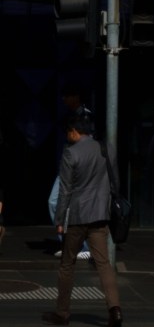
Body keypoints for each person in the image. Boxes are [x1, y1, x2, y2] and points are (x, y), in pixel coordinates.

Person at [41, 115, 123, 327]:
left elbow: (65, 190)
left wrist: (59, 219)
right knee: (104, 264)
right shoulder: (106, 149)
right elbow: (115, 182)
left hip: (77, 216)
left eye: (68, 133)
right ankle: (115, 309)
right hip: (100, 215)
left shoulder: (71, 153)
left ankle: (62, 312)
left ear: (74, 132)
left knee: (67, 263)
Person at [49, 83, 93, 260]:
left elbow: (88, 141)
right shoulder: (70, 115)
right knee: (55, 202)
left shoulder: (85, 116)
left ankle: (82, 246)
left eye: (67, 96)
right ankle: (69, 244)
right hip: (67, 165)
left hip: (77, 166)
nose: (64, 100)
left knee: (72, 205)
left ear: (76, 96)